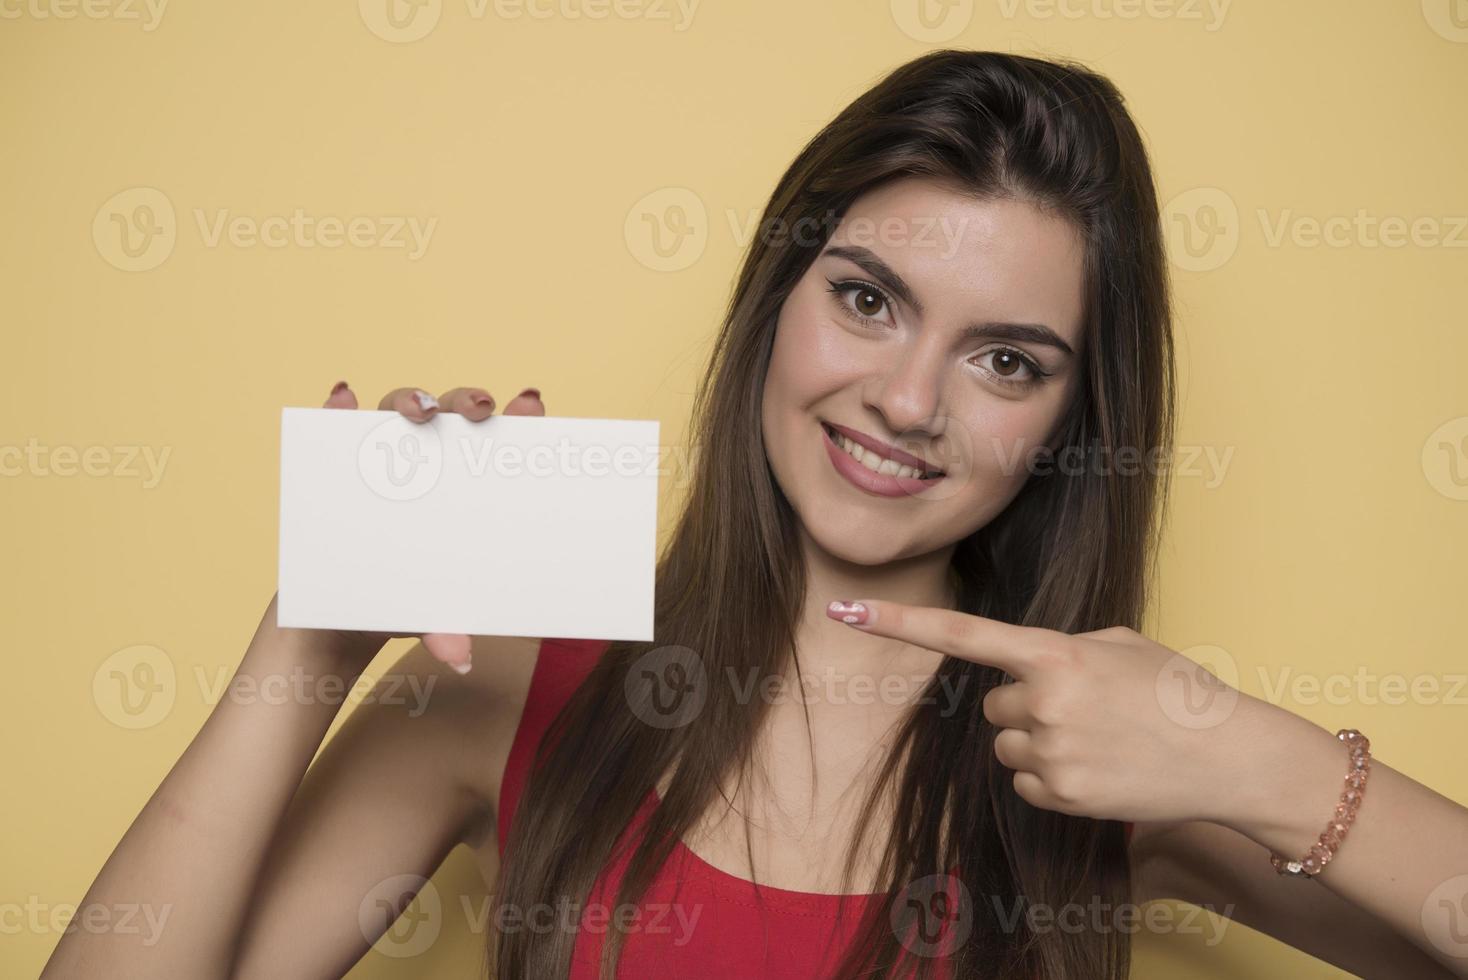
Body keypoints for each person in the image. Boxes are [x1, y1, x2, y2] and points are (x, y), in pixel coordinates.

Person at [43, 49, 1468, 980]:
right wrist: (309, 639)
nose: (910, 400)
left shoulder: (1095, 749)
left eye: (1005, 360)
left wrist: (1250, 754)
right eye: (867, 299)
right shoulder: (519, 681)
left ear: (1070, 423)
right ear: (775, 303)